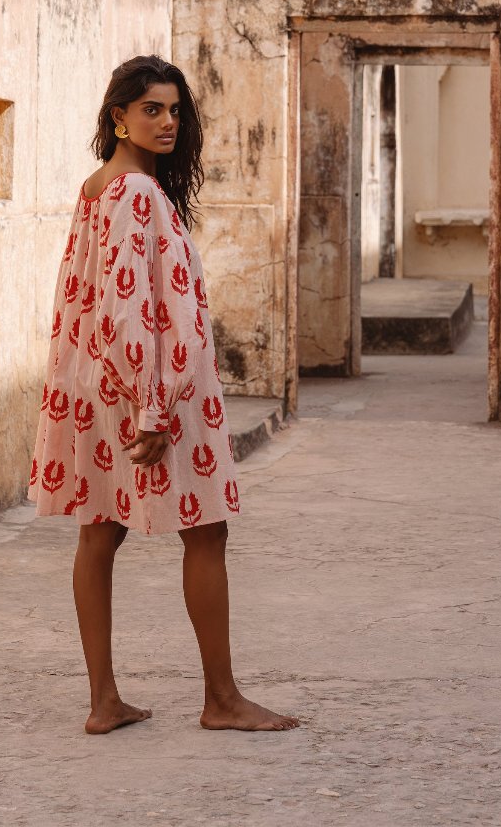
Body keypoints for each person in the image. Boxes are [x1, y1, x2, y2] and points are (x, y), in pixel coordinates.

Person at [28, 54, 299, 735]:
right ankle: (221, 699)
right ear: (118, 116)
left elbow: (94, 299)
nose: (168, 121)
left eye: (175, 109)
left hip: (101, 384)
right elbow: (130, 307)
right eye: (151, 109)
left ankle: (104, 702)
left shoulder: (99, 187)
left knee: (100, 527)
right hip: (153, 389)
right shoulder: (137, 194)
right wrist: (152, 405)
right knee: (206, 529)